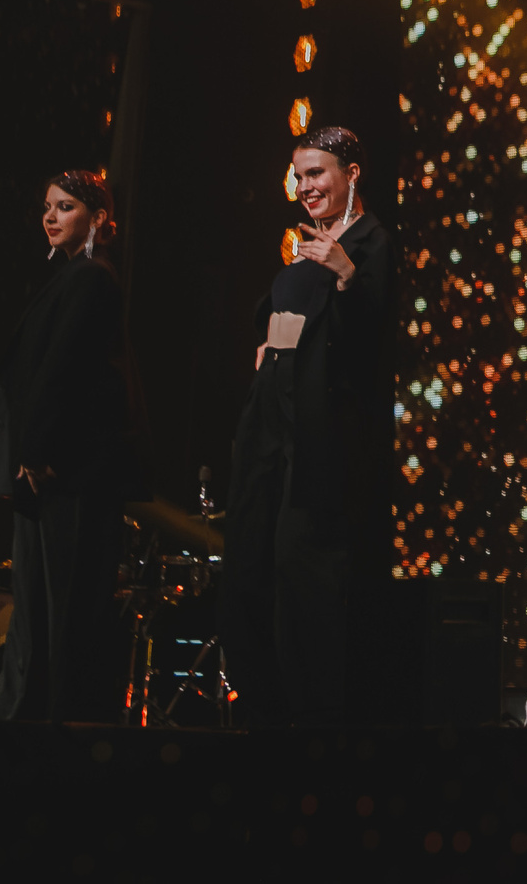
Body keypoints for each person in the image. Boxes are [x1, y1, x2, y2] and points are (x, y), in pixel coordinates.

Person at [223, 125, 395, 725]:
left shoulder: (370, 242)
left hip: (319, 423)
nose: (306, 186)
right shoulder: (308, 240)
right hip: (270, 412)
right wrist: (270, 347)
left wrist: (347, 274)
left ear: (352, 173)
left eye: (317, 172)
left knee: (304, 562)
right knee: (251, 552)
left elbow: (374, 338)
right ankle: (259, 700)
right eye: (300, 175)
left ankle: (313, 715)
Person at [0, 169, 137, 722]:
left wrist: (37, 452)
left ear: (97, 219)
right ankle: (29, 705)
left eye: (65, 207)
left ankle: (52, 713)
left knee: (65, 599)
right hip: (51, 464)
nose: (50, 216)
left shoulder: (93, 277)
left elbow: (66, 370)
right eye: (47, 206)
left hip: (66, 468)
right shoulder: (71, 277)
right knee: (39, 597)